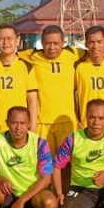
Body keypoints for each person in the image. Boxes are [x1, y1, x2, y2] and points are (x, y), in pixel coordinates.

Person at [16, 24, 83, 159]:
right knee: (44, 164)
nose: (51, 47)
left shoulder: (73, 53)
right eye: (47, 43)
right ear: (42, 43)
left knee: (67, 164)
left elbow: (97, 52)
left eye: (56, 43)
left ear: (63, 42)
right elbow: (8, 54)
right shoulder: (32, 55)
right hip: (42, 123)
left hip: (67, 122)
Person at [0, 23, 39, 149]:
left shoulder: (26, 66)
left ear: (18, 41)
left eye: (9, 38)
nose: (5, 42)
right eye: (1, 39)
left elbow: (32, 100)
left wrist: (32, 127)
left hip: (20, 130)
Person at [74, 25, 104, 128]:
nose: (95, 46)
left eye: (99, 42)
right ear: (86, 44)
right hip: (87, 124)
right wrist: (75, 118)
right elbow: (71, 95)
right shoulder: (78, 67)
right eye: (91, 42)